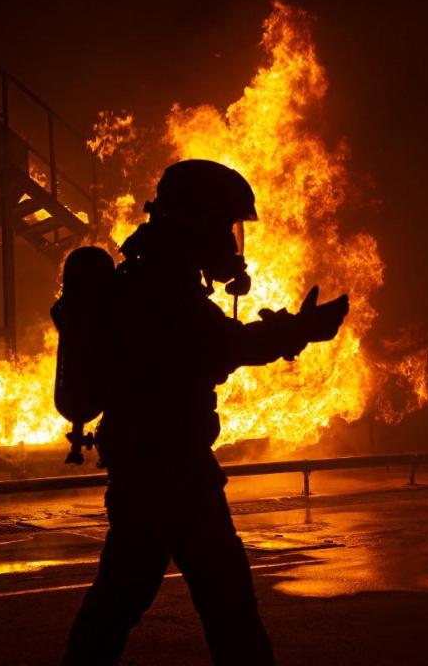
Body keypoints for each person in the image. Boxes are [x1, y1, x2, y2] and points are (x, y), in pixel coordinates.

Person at [63, 159, 349, 665]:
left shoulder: (156, 278)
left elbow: (217, 345)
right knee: (219, 607)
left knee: (134, 604)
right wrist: (299, 330)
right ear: (197, 223)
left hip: (161, 471)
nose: (231, 241)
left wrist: (287, 331)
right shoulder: (161, 288)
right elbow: (221, 345)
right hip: (167, 475)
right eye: (225, 226)